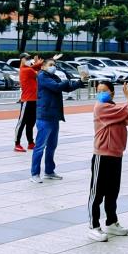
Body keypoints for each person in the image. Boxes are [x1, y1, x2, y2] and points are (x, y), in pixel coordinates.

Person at [88, 81, 128, 241]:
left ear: (112, 93)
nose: (101, 93)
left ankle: (111, 222)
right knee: (97, 193)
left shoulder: (115, 108)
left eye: (104, 90)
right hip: (102, 155)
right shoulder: (100, 107)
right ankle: (93, 226)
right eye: (98, 91)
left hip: (116, 154)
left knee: (112, 192)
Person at [32, 55, 81, 183]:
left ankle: (49, 171)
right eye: (51, 65)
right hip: (44, 116)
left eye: (54, 65)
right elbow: (57, 87)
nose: (53, 67)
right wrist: (67, 80)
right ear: (43, 66)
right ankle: (35, 174)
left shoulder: (54, 77)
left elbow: (67, 88)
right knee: (40, 147)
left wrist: (81, 81)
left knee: (52, 146)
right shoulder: (42, 76)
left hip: (54, 116)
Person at [14, 53, 43, 152]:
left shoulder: (27, 68)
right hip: (27, 100)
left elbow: (34, 67)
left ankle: (31, 143)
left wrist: (36, 63)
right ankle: (17, 144)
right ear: (21, 60)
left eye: (29, 58)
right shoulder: (26, 70)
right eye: (26, 58)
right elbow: (38, 72)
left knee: (31, 123)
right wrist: (40, 63)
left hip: (34, 100)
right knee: (21, 122)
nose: (28, 60)